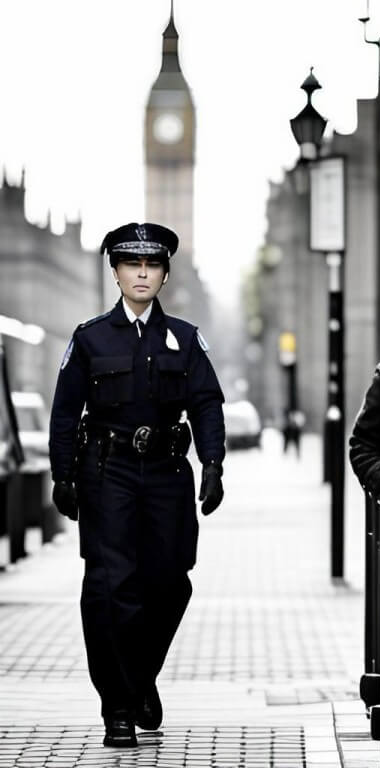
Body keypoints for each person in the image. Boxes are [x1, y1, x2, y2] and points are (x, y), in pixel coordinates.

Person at [49, 222, 225, 748]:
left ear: (165, 274)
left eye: (151, 265)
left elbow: (207, 404)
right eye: (131, 264)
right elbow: (64, 412)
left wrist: (213, 464)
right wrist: (63, 476)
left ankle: (141, 675)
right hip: (108, 474)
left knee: (171, 583)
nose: (142, 272)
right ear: (116, 272)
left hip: (168, 476)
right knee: (111, 588)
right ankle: (119, 706)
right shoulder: (90, 338)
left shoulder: (186, 340)